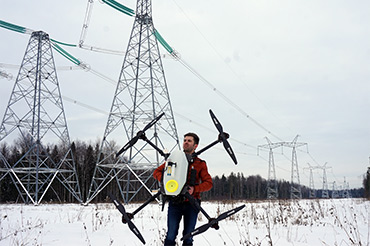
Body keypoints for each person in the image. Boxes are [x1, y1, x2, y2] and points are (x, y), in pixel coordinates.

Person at [153, 132, 213, 246]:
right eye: (184, 140)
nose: (186, 142)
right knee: (170, 235)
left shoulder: (200, 164)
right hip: (175, 202)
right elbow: (156, 172)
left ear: (195, 146)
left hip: (192, 203)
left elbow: (208, 183)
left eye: (189, 141)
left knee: (188, 236)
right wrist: (165, 181)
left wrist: (194, 189)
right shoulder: (173, 160)